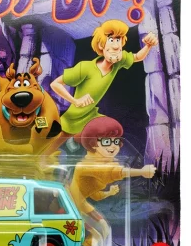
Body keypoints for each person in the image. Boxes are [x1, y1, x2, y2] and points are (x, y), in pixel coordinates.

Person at [49, 19, 158, 151]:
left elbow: (137, 57)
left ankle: (79, 139)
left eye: (118, 40)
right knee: (53, 146)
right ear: (101, 45)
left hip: (91, 114)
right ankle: (72, 138)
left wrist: (148, 45)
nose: (116, 45)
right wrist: (75, 101)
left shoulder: (118, 61)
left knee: (111, 128)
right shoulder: (85, 68)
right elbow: (55, 84)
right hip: (73, 117)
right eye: (111, 40)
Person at [69, 116, 156, 246]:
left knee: (103, 229)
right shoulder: (83, 166)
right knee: (97, 230)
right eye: (106, 141)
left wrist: (108, 193)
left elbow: (94, 194)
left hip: (80, 204)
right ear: (92, 144)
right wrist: (141, 172)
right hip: (68, 206)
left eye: (116, 141)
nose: (113, 146)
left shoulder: (101, 163)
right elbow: (111, 172)